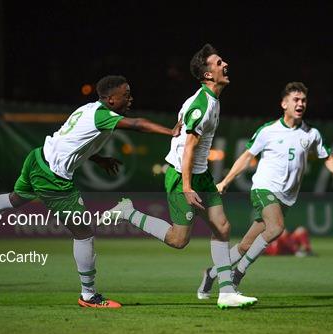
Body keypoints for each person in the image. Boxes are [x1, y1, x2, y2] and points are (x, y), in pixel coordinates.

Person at [0, 75, 181, 308]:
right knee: (83, 233)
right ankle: (88, 296)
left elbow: (75, 139)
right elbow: (137, 125)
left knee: (15, 198)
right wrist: (170, 132)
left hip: (38, 158)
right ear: (111, 99)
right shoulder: (102, 115)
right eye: (126, 94)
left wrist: (98, 159)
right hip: (52, 178)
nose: (130, 98)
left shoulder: (88, 109)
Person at [106, 44, 257, 309]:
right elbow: (188, 149)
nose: (225, 64)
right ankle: (129, 212)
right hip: (181, 176)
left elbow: (186, 134)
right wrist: (187, 186)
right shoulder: (202, 105)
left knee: (222, 227)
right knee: (179, 240)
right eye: (219, 62)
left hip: (200, 175)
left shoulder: (209, 100)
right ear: (208, 74)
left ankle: (226, 292)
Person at [196, 82, 333, 299]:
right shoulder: (268, 131)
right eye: (295, 99)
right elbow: (247, 157)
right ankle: (237, 274)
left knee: (246, 245)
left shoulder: (311, 134)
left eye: (303, 100)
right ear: (284, 103)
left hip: (286, 198)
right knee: (276, 228)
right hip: (264, 189)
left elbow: (328, 158)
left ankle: (211, 273)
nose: (300, 103)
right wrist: (226, 181)